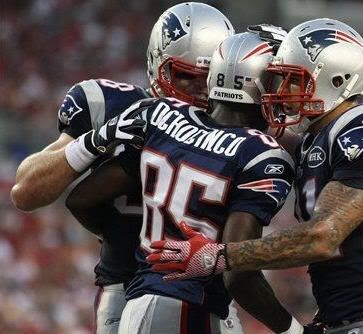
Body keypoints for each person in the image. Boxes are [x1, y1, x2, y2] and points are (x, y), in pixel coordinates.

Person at [147, 18, 363, 334]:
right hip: (345, 317)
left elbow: (323, 236)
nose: (281, 92)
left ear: (338, 80)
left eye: (293, 80)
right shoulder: (313, 141)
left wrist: (220, 256)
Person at [10, 3, 236, 333]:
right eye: (187, 76)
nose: (201, 90)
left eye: (212, 79)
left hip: (213, 295)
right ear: (158, 64)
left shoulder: (236, 123)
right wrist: (97, 139)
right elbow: (25, 192)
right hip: (128, 290)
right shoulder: (115, 106)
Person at [68, 31, 309, 333]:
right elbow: (238, 273)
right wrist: (294, 330)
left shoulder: (164, 115)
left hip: (139, 302)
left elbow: (79, 199)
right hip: (186, 306)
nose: (283, 92)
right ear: (254, 84)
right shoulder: (262, 154)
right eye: (276, 82)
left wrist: (124, 239)